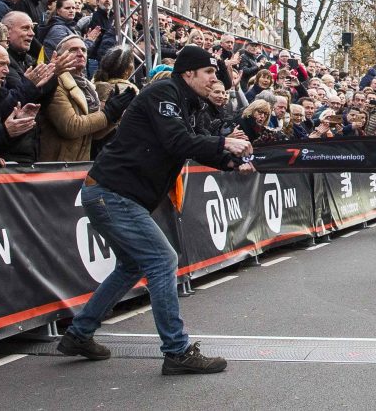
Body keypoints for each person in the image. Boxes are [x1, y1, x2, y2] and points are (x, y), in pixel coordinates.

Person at [56, 45, 251, 375]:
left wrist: (230, 162)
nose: (213, 79)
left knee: (132, 265)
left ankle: (79, 333)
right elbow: (178, 141)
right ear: (188, 73)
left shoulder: (185, 101)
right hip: (112, 193)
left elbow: (191, 142)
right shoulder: (164, 92)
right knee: (163, 260)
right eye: (208, 73)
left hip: (113, 193)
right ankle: (176, 351)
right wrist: (224, 145)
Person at [38, 35, 123, 162]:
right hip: (54, 168)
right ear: (59, 57)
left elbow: (93, 134)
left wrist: (114, 117)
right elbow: (71, 127)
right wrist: (107, 114)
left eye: (83, 50)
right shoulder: (54, 83)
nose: (80, 53)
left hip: (79, 166)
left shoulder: (89, 87)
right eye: (73, 50)